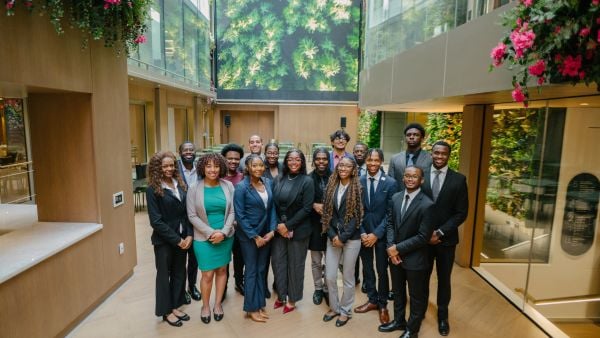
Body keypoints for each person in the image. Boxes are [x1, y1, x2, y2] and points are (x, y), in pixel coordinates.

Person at [422, 141, 468, 336]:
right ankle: (420, 310)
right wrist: (425, 233)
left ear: (449, 156)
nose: (439, 157)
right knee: (421, 277)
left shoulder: (458, 179)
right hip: (422, 239)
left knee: (444, 280)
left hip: (446, 241)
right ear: (431, 154)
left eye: (443, 154)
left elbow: (461, 213)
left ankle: (442, 316)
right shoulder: (420, 175)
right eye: (436, 153)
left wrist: (440, 232)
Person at [386, 166, 434, 338]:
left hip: (415, 258)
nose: (410, 179)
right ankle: (399, 322)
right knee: (398, 292)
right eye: (407, 176)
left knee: (415, 296)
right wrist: (392, 248)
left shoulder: (428, 204)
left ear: (421, 180)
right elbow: (390, 223)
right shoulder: (396, 197)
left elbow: (423, 237)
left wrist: (397, 248)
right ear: (403, 178)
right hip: (395, 257)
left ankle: (412, 330)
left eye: (415, 177)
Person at [187, 153, 235, 324]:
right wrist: (211, 233)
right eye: (208, 166)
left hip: (225, 236)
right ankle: (205, 306)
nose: (213, 170)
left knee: (222, 271)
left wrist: (223, 232)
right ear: (202, 168)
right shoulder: (194, 188)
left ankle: (217, 304)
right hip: (203, 238)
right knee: (207, 274)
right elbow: (192, 216)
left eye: (216, 166)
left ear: (221, 167)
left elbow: (232, 212)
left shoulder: (228, 185)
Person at [146, 151, 192, 327]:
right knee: (164, 276)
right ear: (158, 168)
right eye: (165, 166)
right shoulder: (152, 189)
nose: (169, 168)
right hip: (164, 241)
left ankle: (175, 306)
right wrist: (177, 240)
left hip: (183, 237)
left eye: (172, 165)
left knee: (180, 273)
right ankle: (165, 311)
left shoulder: (179, 184)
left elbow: (187, 212)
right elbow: (156, 221)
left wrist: (188, 234)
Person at [354, 148, 397, 325]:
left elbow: (391, 213)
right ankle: (372, 300)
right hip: (364, 234)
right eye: (369, 160)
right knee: (367, 269)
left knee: (381, 270)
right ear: (365, 161)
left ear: (381, 162)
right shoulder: (359, 181)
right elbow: (356, 209)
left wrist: (376, 234)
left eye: (376, 160)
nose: (372, 163)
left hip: (381, 235)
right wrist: (364, 233)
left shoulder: (391, 183)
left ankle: (383, 304)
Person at [233, 154, 277, 323]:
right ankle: (251, 308)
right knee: (251, 271)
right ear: (248, 168)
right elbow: (240, 215)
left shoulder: (268, 183)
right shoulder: (242, 187)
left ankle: (259, 304)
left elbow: (272, 208)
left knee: (260, 270)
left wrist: (272, 231)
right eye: (255, 165)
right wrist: (254, 236)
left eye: (261, 165)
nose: (258, 168)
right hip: (249, 236)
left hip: (266, 234)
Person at [321, 157, 363, 327]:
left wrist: (343, 237)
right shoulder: (330, 187)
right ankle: (334, 307)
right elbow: (326, 215)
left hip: (351, 239)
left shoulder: (359, 188)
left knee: (347, 276)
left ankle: (345, 311)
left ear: (353, 169)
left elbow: (356, 217)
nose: (344, 168)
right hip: (333, 238)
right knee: (330, 276)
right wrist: (333, 236)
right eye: (341, 165)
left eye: (348, 165)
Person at [271, 149, 314, 314]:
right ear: (286, 161)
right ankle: (281, 295)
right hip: (279, 230)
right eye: (290, 159)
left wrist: (288, 226)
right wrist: (278, 226)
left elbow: (307, 208)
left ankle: (292, 299)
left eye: (297, 159)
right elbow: (272, 205)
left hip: (298, 231)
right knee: (278, 263)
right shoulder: (278, 179)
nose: (293, 162)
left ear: (302, 162)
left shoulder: (307, 181)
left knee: (295, 265)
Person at [177, 141, 201, 303]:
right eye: (185, 150)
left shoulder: (200, 169)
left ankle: (191, 286)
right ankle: (181, 291)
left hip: (198, 219)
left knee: (194, 258)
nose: (188, 152)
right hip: (180, 220)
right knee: (180, 259)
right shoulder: (174, 169)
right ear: (180, 153)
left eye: (191, 150)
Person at [220, 144, 245, 297]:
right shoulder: (217, 177)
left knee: (239, 256)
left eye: (236, 159)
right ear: (224, 159)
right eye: (230, 158)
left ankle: (239, 282)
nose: (233, 161)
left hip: (240, 226)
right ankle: (223, 287)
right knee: (223, 257)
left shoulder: (243, 177)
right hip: (222, 226)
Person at [308, 147, 332, 305]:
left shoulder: (336, 176)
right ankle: (317, 288)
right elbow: (301, 199)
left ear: (328, 160)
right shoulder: (308, 178)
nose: (321, 161)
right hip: (314, 225)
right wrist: (313, 205)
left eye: (324, 159)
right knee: (316, 261)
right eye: (318, 159)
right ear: (314, 160)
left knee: (331, 261)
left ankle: (327, 289)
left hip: (332, 225)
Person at [388, 123, 432, 191]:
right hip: (399, 199)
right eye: (408, 135)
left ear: (422, 138)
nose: (411, 137)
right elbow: (390, 182)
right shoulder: (395, 159)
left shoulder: (430, 158)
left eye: (416, 135)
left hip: (422, 199)